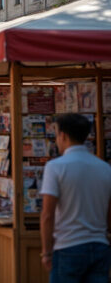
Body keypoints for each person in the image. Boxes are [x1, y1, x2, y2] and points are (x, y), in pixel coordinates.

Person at [40, 113, 111, 281]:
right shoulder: (104, 167)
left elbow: (47, 214)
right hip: (100, 245)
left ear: (63, 135)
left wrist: (46, 251)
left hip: (68, 245)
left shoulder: (55, 167)